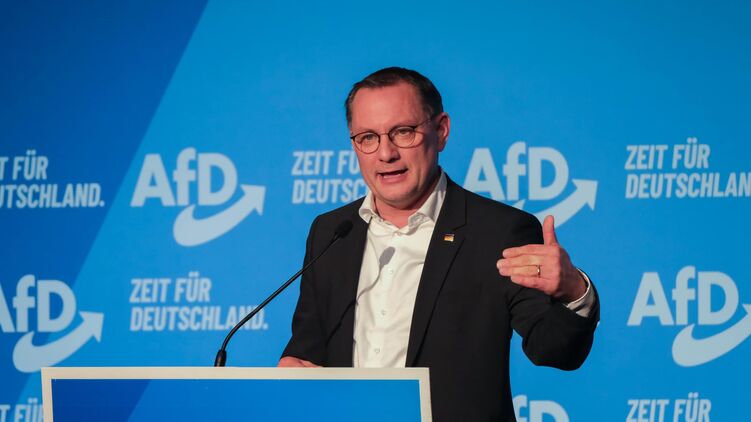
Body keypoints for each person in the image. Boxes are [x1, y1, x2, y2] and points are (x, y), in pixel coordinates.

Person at [279, 67, 599, 421]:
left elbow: (555, 351)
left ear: (441, 130)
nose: (385, 153)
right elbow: (306, 350)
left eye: (403, 132)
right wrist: (293, 369)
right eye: (367, 137)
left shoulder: (498, 232)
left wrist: (573, 291)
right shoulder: (331, 232)